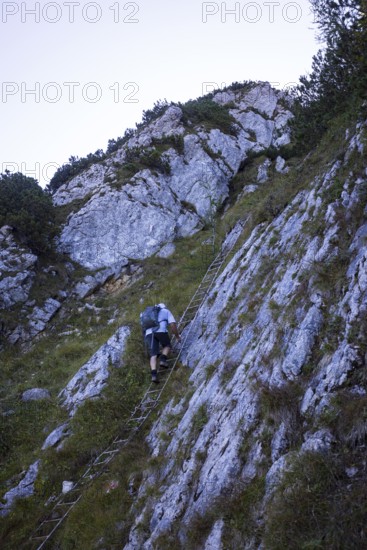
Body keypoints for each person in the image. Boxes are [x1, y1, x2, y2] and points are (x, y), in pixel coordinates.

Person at [144, 303, 181, 383]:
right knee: (167, 345)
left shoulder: (148, 314)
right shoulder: (166, 311)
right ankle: (163, 360)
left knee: (153, 355)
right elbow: (172, 325)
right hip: (160, 331)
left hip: (148, 334)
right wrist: (177, 336)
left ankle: (154, 375)